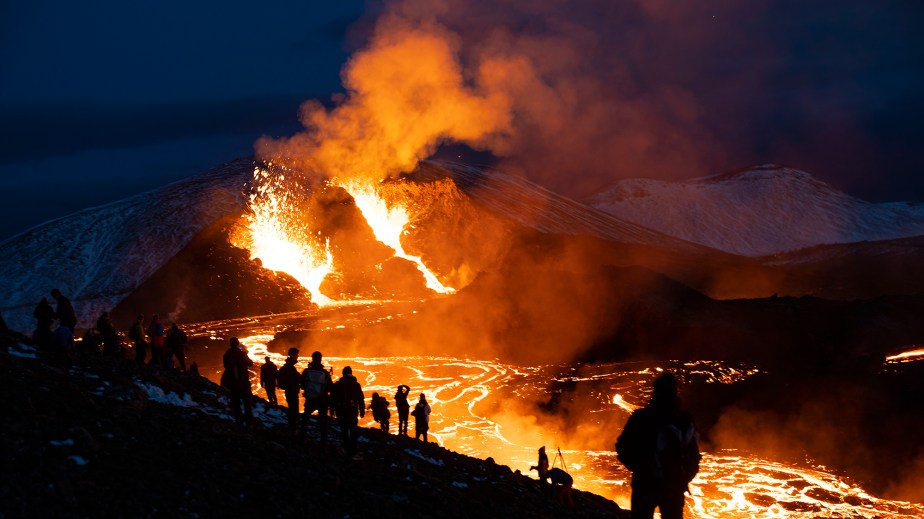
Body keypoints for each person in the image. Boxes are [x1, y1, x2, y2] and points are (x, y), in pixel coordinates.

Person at [616, 372, 700, 519]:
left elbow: (622, 447)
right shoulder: (684, 420)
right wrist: (682, 479)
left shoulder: (642, 417)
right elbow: (694, 456)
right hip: (668, 487)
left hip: (649, 486)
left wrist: (640, 469)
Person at [330, 366, 365, 459]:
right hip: (352, 412)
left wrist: (332, 409)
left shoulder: (338, 384)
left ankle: (347, 449)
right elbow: (361, 399)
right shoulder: (356, 385)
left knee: (344, 431)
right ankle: (353, 451)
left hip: (340, 411)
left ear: (343, 373)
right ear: (351, 373)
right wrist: (362, 410)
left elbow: (333, 398)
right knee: (353, 431)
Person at [300, 351, 333, 445]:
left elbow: (302, 385)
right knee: (323, 421)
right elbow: (330, 387)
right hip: (322, 400)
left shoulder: (306, 371)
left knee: (305, 418)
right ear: (320, 359)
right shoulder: (325, 373)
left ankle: (302, 438)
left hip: (310, 399)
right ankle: (324, 443)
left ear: (312, 358)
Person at [220, 337, 254, 428]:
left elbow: (226, 366)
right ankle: (249, 423)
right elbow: (250, 363)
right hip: (243, 382)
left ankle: (239, 422)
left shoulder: (226, 355)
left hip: (233, 383)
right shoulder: (242, 354)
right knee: (247, 402)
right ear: (238, 343)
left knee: (236, 403)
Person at [277, 348, 301, 431]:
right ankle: (293, 429)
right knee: (294, 411)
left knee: (292, 410)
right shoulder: (290, 367)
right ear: (292, 355)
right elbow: (297, 378)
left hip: (289, 391)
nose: (298, 356)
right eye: (296, 354)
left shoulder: (287, 366)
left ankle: (292, 428)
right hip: (292, 391)